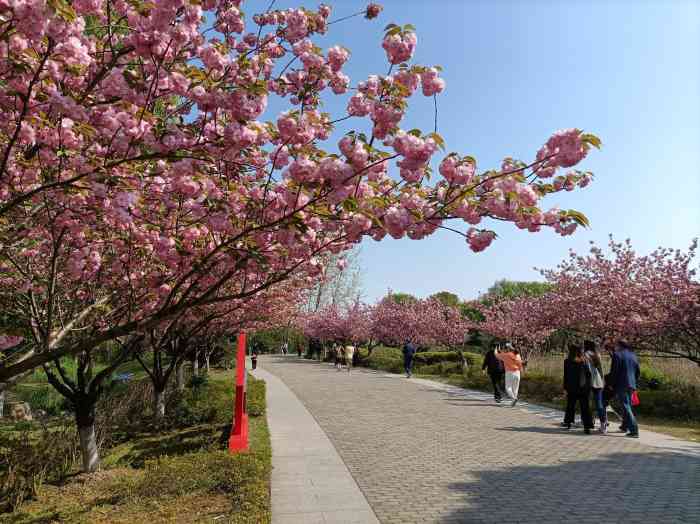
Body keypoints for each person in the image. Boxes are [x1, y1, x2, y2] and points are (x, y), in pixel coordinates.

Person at [609, 339, 641, 438]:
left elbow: (615, 371)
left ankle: (634, 430)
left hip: (621, 384)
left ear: (619, 345)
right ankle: (625, 426)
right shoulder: (633, 355)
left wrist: (611, 383)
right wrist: (634, 382)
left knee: (626, 406)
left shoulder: (617, 355)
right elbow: (637, 371)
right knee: (628, 406)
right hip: (631, 384)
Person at [562, 345, 594, 434]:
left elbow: (566, 376)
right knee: (585, 407)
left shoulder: (567, 361)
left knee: (570, 406)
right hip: (583, 388)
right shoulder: (585, 361)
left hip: (571, 388)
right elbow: (589, 375)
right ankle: (587, 426)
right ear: (580, 352)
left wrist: (565, 388)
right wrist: (589, 386)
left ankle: (568, 423)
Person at [584, 340, 607, 433]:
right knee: (599, 404)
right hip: (598, 381)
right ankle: (603, 423)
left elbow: (586, 370)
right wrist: (603, 380)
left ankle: (589, 423)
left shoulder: (586, 355)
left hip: (589, 382)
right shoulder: (597, 354)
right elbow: (601, 370)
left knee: (587, 403)